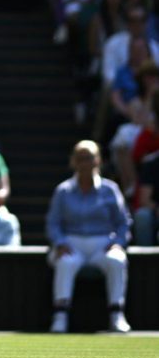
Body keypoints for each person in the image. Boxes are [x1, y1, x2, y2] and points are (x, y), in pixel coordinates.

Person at [46, 140, 131, 333]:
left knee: (117, 261)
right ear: (74, 162)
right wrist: (59, 243)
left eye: (89, 158)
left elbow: (123, 221)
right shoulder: (63, 191)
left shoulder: (110, 189)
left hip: (103, 244)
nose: (85, 163)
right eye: (80, 158)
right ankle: (60, 316)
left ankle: (117, 315)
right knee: (65, 262)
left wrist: (118, 243)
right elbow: (53, 223)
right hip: (72, 243)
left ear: (98, 161)